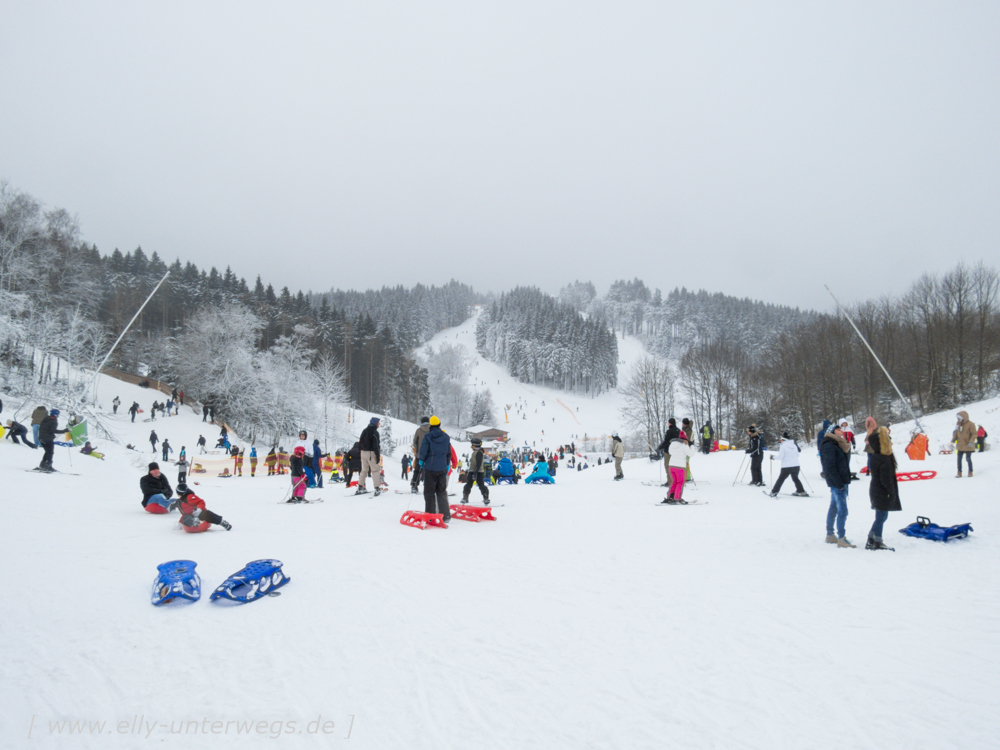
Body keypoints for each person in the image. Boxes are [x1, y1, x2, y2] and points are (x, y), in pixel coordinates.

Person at [820, 424, 855, 548]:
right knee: (842, 510)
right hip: (837, 482)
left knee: (834, 507)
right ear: (832, 432)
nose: (841, 431)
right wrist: (839, 483)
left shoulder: (838, 444)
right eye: (838, 430)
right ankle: (841, 538)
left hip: (841, 480)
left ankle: (830, 535)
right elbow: (829, 467)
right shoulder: (829, 445)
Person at [866, 427, 900, 551]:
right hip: (881, 491)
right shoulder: (883, 459)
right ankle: (877, 541)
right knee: (881, 517)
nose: (891, 444)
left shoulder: (877, 456)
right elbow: (885, 480)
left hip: (877, 490)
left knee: (881, 516)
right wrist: (891, 493)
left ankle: (871, 538)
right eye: (888, 441)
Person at [418, 416, 453, 522]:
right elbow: (448, 452)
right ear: (439, 424)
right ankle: (445, 516)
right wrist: (447, 464)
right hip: (442, 468)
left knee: (429, 492)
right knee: (441, 492)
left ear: (430, 426)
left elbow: (423, 450)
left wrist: (421, 460)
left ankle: (430, 515)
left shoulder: (428, 436)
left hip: (430, 468)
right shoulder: (446, 437)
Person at [662, 430, 695, 504]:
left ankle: (670, 497)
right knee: (680, 482)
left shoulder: (672, 445)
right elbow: (691, 454)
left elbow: (670, 452)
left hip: (671, 466)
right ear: (684, 439)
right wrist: (691, 445)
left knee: (674, 482)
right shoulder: (684, 446)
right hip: (680, 467)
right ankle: (677, 498)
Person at [462, 438, 490, 505]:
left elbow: (479, 463)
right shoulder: (475, 452)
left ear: (475, 445)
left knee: (481, 485)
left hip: (478, 472)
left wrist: (475, 473)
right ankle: (465, 497)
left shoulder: (479, 453)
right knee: (468, 485)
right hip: (472, 471)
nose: (471, 447)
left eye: (472, 445)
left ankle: (486, 497)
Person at [357, 417, 382, 496]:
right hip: (371, 453)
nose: (379, 424)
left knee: (364, 470)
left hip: (363, 452)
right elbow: (376, 445)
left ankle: (360, 487)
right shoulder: (375, 433)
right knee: (375, 470)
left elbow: (360, 442)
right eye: (378, 422)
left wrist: (361, 451)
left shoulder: (364, 431)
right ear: (375, 423)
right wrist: (377, 456)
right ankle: (377, 488)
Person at [410, 416, 431, 493]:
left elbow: (415, 441)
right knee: (428, 471)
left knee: (417, 470)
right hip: (429, 455)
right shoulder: (431, 430)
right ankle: (428, 487)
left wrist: (417, 449)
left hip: (420, 454)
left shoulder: (418, 430)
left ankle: (414, 485)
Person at [656, 418, 680, 484]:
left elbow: (667, 441)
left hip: (668, 451)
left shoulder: (669, 431)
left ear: (670, 423)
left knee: (668, 466)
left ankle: (670, 481)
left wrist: (660, 447)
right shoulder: (679, 431)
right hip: (677, 452)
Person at [954, 411, 977, 477]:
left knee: (968, 459)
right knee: (959, 459)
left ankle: (970, 471)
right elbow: (956, 433)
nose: (958, 419)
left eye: (960, 418)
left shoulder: (971, 424)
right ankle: (959, 472)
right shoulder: (958, 424)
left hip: (968, 445)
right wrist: (953, 439)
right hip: (960, 445)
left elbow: (974, 434)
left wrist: (971, 441)